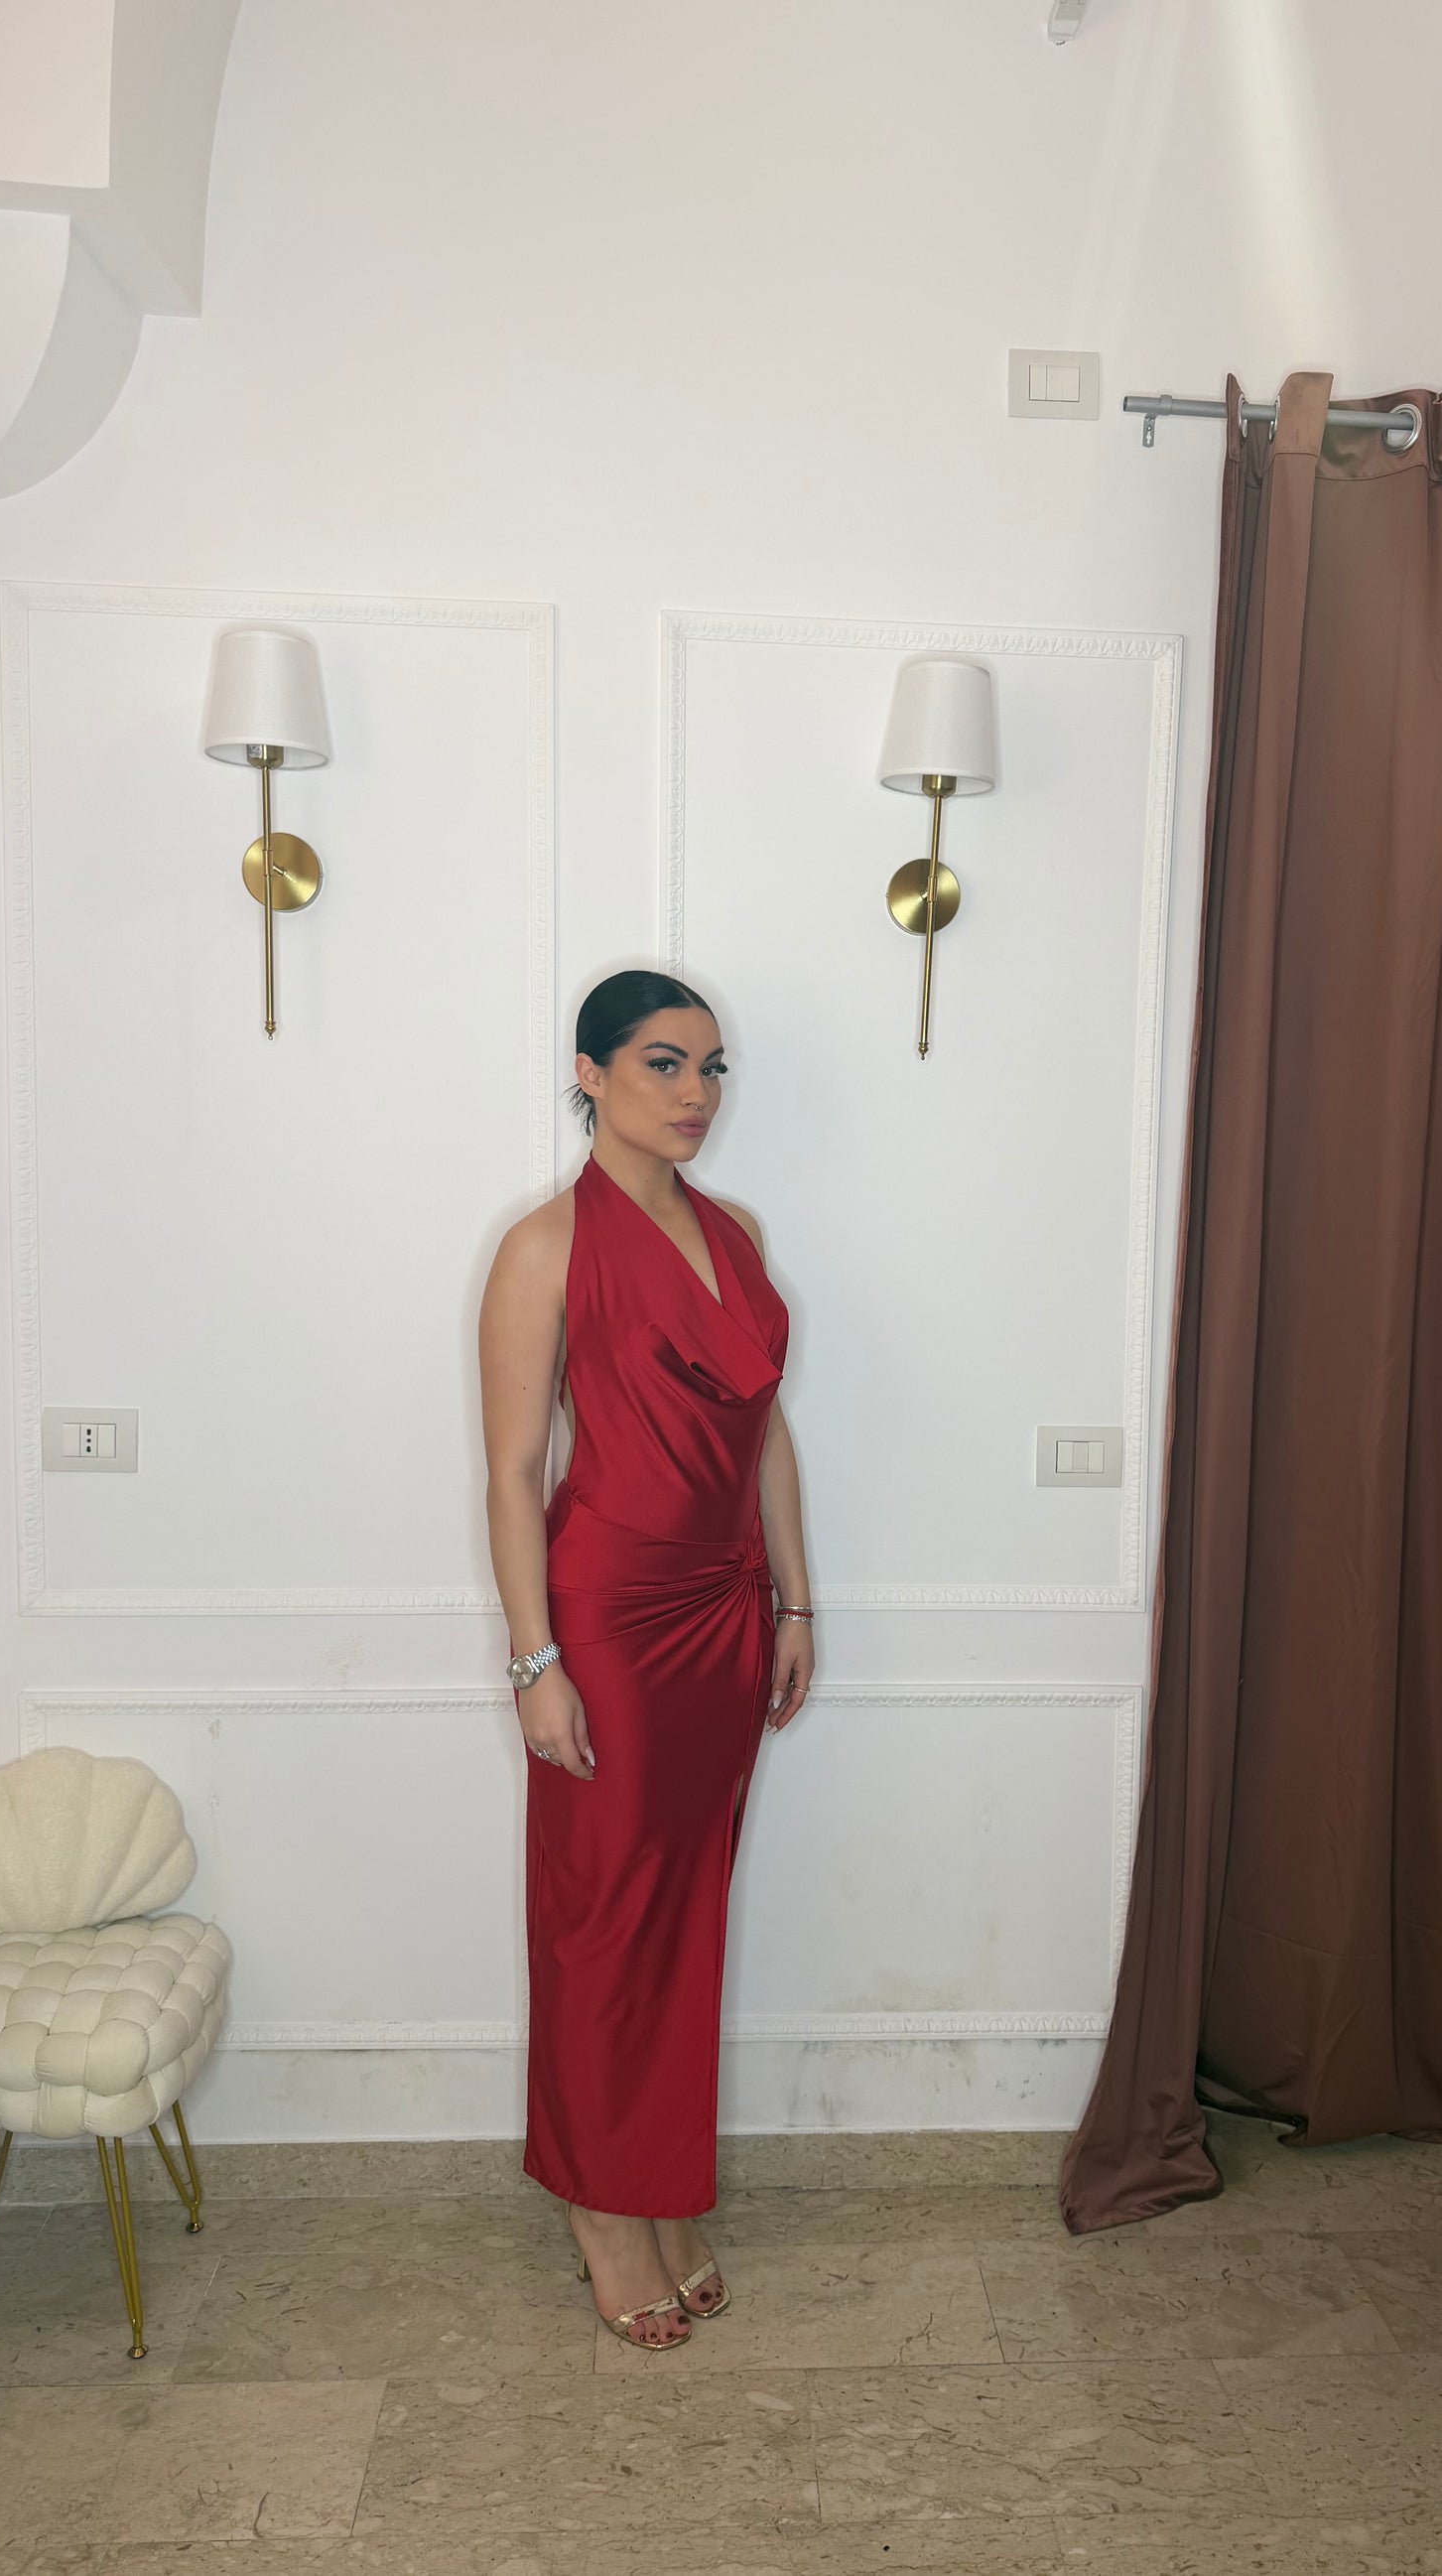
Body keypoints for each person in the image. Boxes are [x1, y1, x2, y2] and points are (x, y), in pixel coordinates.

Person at [477, 969, 815, 2349]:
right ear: (590, 1072)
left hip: (729, 1613)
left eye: (712, 1067)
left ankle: (658, 2183)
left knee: (685, 1918)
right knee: (601, 1921)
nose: (695, 1093)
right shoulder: (543, 1247)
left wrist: (795, 1603)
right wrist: (533, 1663)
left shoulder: (737, 1233)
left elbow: (764, 1430)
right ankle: (601, 2207)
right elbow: (512, 1475)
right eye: (664, 1063)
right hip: (610, 1624)